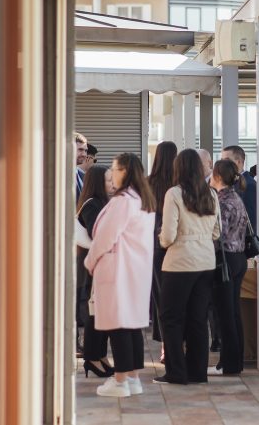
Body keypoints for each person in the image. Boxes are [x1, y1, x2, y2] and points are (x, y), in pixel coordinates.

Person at [85, 153, 156, 398]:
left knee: (118, 325)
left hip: (118, 269)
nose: (112, 174)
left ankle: (120, 381)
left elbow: (105, 237)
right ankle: (133, 378)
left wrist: (90, 261)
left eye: (115, 169)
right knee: (131, 324)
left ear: (124, 172)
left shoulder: (123, 201)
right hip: (135, 270)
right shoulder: (142, 199)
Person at [155, 149, 219, 385]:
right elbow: (217, 232)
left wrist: (162, 240)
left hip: (180, 263)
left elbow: (168, 236)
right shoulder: (211, 193)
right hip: (206, 261)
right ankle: (197, 372)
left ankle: (176, 372)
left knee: (171, 318)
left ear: (178, 168)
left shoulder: (174, 193)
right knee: (198, 319)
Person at [209, 159, 248, 376]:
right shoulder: (236, 198)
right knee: (233, 312)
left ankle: (228, 364)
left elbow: (218, 233)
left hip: (225, 259)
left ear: (217, 176)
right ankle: (235, 361)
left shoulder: (222, 201)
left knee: (225, 314)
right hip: (239, 258)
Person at [76, 165, 114, 378]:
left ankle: (99, 355)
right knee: (95, 313)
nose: (113, 184)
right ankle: (92, 357)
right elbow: (95, 232)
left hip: (100, 263)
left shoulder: (102, 203)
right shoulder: (93, 205)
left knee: (102, 312)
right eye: (108, 180)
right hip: (92, 265)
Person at [147, 141, 178, 350]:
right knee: (176, 295)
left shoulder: (147, 183)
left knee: (159, 295)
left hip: (153, 243)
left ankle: (166, 344)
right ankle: (177, 341)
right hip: (175, 242)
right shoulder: (178, 184)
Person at [221, 145, 256, 235]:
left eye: (226, 160)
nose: (222, 164)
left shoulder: (249, 185)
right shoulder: (231, 183)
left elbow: (250, 220)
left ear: (239, 162)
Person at [74, 132, 88, 199]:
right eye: (80, 150)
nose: (84, 154)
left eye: (85, 151)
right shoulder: (57, 175)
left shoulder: (83, 175)